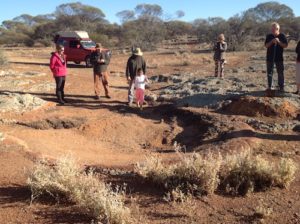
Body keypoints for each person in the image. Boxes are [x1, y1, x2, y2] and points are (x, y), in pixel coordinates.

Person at [265, 22, 288, 93]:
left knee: (280, 72)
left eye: (274, 29)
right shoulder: (269, 36)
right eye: (272, 29)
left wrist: (278, 42)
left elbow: (285, 45)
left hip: (279, 58)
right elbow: (266, 45)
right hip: (270, 58)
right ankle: (270, 86)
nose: (272, 30)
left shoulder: (282, 36)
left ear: (278, 29)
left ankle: (281, 87)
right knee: (270, 72)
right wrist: (272, 41)